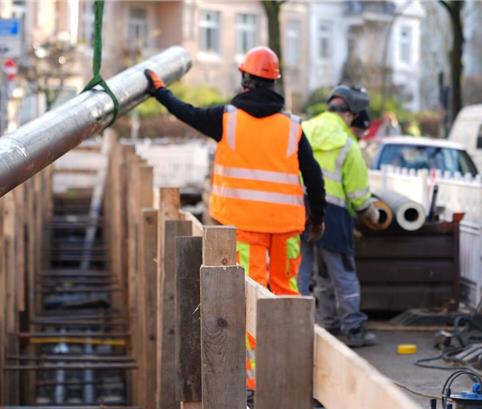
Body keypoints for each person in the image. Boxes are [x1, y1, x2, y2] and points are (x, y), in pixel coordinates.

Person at [144, 46, 326, 387]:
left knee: (252, 296)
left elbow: (186, 112)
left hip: (244, 227)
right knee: (286, 293)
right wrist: (317, 217)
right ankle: (289, 374)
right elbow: (313, 177)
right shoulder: (292, 127)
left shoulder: (226, 120)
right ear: (274, 84)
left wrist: (159, 91)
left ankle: (258, 380)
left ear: (245, 79)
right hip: (286, 227)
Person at [297, 85, 377, 347]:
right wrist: (370, 212)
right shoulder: (347, 144)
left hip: (298, 208)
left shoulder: (304, 130)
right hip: (333, 214)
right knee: (342, 273)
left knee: (303, 269)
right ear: (351, 115)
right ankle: (353, 329)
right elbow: (358, 194)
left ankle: (306, 325)